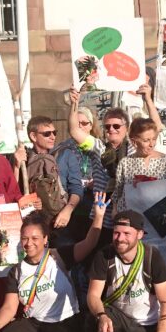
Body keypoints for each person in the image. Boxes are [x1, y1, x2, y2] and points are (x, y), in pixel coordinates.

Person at [0, 194, 107, 332]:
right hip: (36, 323)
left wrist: (99, 216)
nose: (29, 243)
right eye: (24, 238)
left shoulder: (59, 256)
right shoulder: (16, 271)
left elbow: (89, 244)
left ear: (45, 239)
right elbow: (9, 307)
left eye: (35, 238)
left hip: (65, 322)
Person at [84, 210, 166, 332]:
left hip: (145, 321)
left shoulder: (152, 257)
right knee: (93, 318)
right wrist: (101, 316)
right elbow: (93, 296)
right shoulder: (104, 255)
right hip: (116, 315)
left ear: (140, 235)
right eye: (116, 232)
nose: (120, 238)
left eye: (126, 233)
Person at [17, 115, 82, 236]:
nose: (52, 137)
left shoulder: (65, 154)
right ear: (33, 136)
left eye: (54, 132)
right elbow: (15, 190)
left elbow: (76, 188)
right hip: (35, 222)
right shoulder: (23, 159)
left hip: (61, 220)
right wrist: (16, 165)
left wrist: (68, 210)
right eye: (47, 134)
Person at [61, 89, 110, 243]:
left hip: (93, 198)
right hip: (72, 197)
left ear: (91, 125)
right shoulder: (65, 146)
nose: (80, 126)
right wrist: (74, 104)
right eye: (78, 122)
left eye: (84, 123)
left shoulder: (97, 145)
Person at [110, 118, 166, 215]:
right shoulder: (125, 163)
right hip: (130, 218)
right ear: (134, 142)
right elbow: (118, 191)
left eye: (154, 139)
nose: (152, 144)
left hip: (158, 218)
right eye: (146, 140)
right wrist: (114, 210)